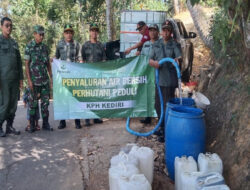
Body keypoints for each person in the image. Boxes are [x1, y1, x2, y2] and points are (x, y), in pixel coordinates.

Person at [149, 20, 182, 142]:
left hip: (169, 81)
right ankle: (161, 126)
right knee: (157, 105)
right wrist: (155, 63)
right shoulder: (156, 44)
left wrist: (177, 60)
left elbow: (179, 57)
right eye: (164, 30)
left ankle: (167, 130)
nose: (166, 32)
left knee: (167, 105)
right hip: (159, 81)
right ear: (161, 31)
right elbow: (150, 60)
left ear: (171, 32)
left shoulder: (174, 44)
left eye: (168, 30)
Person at [24, 25, 53, 133]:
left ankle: (45, 123)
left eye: (43, 34)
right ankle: (32, 125)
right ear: (34, 34)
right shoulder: (29, 47)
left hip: (44, 81)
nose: (41, 36)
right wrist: (29, 81)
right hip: (34, 82)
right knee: (33, 104)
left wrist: (51, 78)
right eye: (39, 34)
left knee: (45, 104)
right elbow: (26, 65)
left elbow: (48, 65)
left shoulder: (45, 48)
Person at [55, 24, 82, 129]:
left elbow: (80, 58)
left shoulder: (77, 44)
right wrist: (53, 61)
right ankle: (62, 121)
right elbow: (56, 57)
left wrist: (81, 64)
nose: (68, 34)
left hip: (74, 76)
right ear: (64, 34)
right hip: (63, 75)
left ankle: (77, 121)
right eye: (66, 32)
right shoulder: (60, 44)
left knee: (75, 97)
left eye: (70, 32)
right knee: (63, 98)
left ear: (73, 33)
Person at [0, 17, 23, 137]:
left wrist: (21, 79)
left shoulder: (14, 42)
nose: (9, 28)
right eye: (6, 25)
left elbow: (19, 61)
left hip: (14, 78)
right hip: (3, 79)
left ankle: (9, 126)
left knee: (13, 104)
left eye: (10, 26)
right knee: (4, 103)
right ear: (1, 26)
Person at [81, 23, 106, 126]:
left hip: (98, 75)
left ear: (98, 33)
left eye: (96, 31)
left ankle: (96, 117)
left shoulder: (101, 45)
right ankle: (87, 118)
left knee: (97, 96)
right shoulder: (85, 45)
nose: (94, 32)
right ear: (90, 32)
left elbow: (104, 59)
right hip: (88, 75)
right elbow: (82, 60)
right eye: (92, 30)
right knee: (88, 96)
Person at [140, 24, 160, 125]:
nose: (152, 32)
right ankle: (148, 117)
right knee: (147, 95)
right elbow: (142, 59)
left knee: (158, 95)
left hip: (158, 73)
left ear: (158, 32)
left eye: (154, 30)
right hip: (147, 74)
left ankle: (159, 117)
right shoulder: (146, 44)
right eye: (150, 30)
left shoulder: (161, 44)